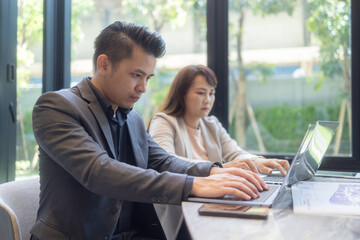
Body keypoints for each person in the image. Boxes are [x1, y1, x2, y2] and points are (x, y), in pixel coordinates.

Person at [30, 22, 268, 240]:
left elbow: (162, 161)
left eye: (148, 77)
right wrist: (192, 185)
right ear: (104, 64)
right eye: (136, 75)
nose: (143, 88)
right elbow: (98, 171)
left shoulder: (132, 117)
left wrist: (214, 172)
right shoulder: (56, 106)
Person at [148, 65, 290, 239]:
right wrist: (218, 168)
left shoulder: (211, 124)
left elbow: (235, 152)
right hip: (180, 210)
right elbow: (165, 160)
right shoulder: (164, 121)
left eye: (212, 93)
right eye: (201, 93)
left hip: (213, 200)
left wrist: (256, 161)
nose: (208, 100)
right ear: (181, 94)